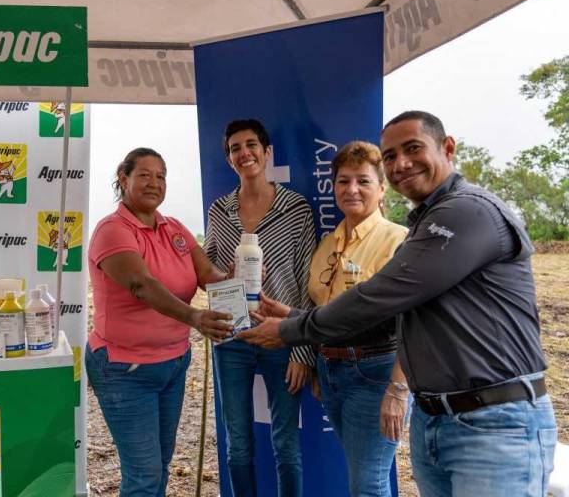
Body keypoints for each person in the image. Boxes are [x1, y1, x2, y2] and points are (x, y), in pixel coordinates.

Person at [238, 111, 557, 496]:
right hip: (436, 415)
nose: (401, 164)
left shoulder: (465, 212)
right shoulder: (418, 223)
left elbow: (378, 299)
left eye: (413, 149)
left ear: (448, 148)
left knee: (368, 483)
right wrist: (297, 317)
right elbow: (404, 316)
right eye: (390, 156)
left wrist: (291, 330)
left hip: (493, 421)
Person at [261, 141, 409, 496]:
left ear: (382, 187)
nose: (351, 190)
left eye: (363, 181)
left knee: (368, 483)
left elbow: (413, 322)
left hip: (375, 373)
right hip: (331, 371)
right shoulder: (327, 244)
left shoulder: (399, 241)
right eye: (343, 181)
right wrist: (316, 359)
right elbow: (323, 315)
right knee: (362, 475)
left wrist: (399, 389)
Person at [85, 147, 234, 497]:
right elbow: (142, 285)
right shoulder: (112, 229)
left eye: (161, 176)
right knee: (144, 475)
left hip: (173, 363)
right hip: (124, 368)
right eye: (145, 175)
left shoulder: (174, 228)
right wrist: (195, 316)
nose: (155, 183)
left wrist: (237, 279)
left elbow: (206, 274)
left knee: (160, 468)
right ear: (124, 179)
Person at [204, 119, 315, 497]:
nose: (244, 152)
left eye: (251, 145)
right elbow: (207, 271)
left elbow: (306, 281)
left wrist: (302, 348)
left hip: (281, 338)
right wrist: (226, 274)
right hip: (231, 335)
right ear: (229, 159)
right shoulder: (220, 210)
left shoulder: (295, 208)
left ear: (267, 153)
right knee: (238, 443)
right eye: (235, 148)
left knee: (286, 443)